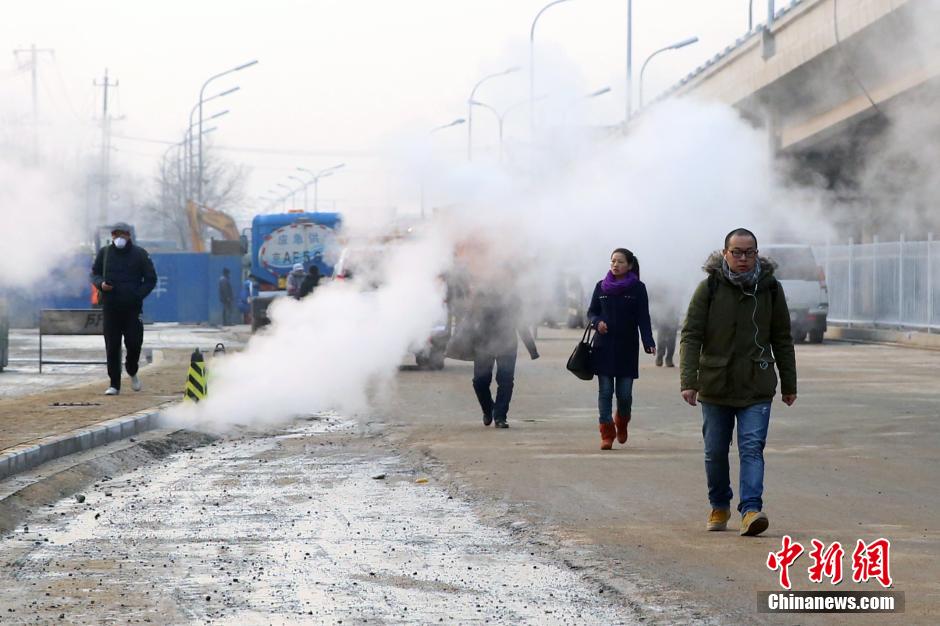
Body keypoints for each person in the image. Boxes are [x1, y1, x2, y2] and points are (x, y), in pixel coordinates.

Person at [679, 228, 797, 537]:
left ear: (757, 254)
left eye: (749, 253)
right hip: (715, 385)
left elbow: (782, 338)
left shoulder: (770, 289)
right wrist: (688, 380)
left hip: (756, 384)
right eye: (737, 252)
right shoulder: (710, 288)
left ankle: (751, 511)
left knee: (751, 448)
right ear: (725, 253)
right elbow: (691, 335)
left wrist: (789, 383)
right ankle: (719, 504)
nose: (743, 258)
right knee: (715, 451)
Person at [586, 248, 655, 450]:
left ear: (630, 265)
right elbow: (591, 312)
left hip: (627, 348)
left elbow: (644, 317)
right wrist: (597, 322)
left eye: (620, 262)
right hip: (603, 347)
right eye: (612, 261)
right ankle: (607, 432)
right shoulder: (601, 287)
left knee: (624, 395)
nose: (615, 265)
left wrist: (648, 341)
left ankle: (622, 421)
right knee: (605, 392)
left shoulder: (638, 289)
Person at [90, 222, 157, 396]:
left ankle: (132, 369)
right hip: (111, 307)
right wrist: (100, 284)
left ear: (129, 236)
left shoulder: (140, 254)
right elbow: (94, 273)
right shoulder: (104, 253)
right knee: (112, 346)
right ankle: (114, 383)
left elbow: (150, 279)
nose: (119, 238)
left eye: (122, 235)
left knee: (134, 343)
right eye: (115, 235)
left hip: (132, 308)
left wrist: (137, 294)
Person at [469, 285, 539, 429]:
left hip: (507, 344)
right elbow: (469, 320)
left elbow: (521, 323)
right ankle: (488, 409)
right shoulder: (481, 293)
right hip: (483, 344)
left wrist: (532, 349)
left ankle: (500, 416)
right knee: (480, 382)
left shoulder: (513, 296)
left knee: (506, 381)